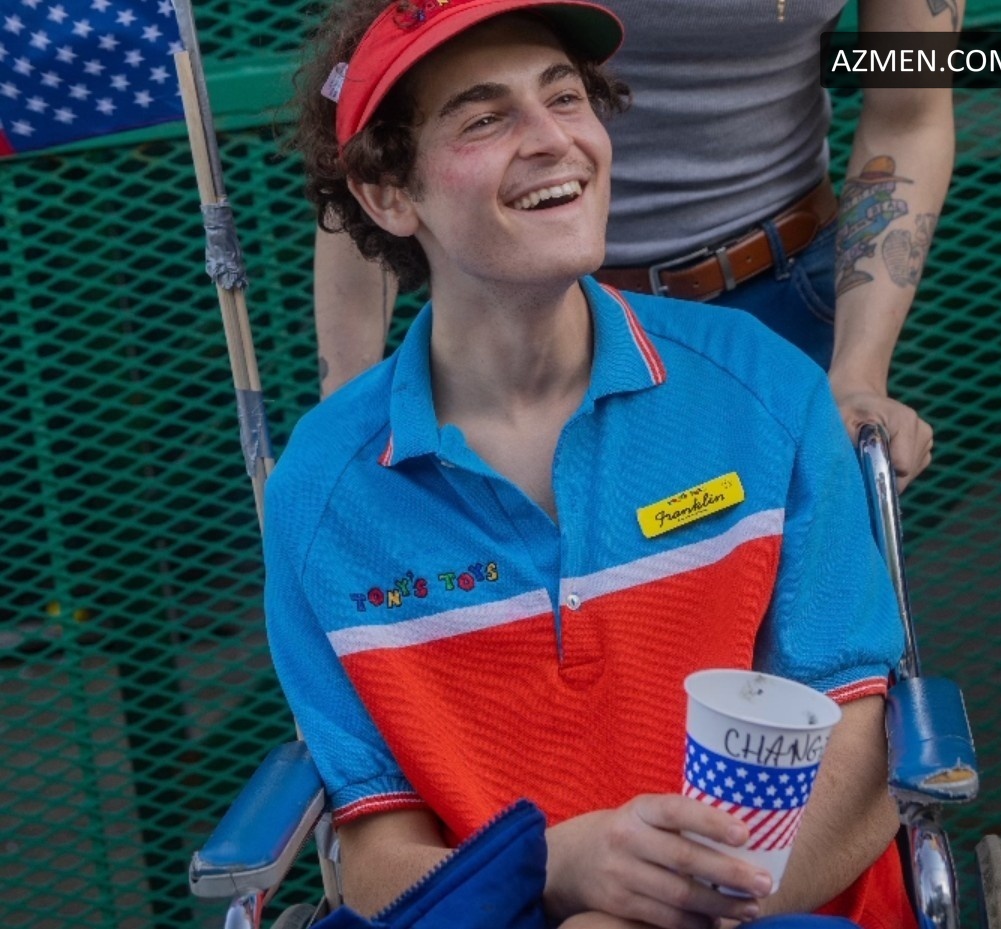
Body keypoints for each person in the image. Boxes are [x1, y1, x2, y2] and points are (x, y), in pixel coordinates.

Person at [267, 1, 912, 926]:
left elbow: (866, 751)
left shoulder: (767, 389)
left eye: (565, 97)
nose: (552, 140)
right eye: (485, 119)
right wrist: (558, 869)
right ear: (387, 194)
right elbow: (376, 858)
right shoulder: (323, 492)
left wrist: (677, 908)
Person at [310, 0, 960, 493]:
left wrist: (858, 374)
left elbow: (910, 113)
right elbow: (381, 135)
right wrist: (347, 410)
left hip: (787, 288)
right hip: (547, 316)